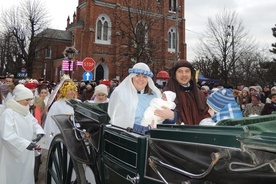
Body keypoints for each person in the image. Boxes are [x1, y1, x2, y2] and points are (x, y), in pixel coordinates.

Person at [108, 62, 175, 133]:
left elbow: (163, 119)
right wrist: (144, 129)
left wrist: (171, 116)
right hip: (131, 138)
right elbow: (119, 122)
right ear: (132, 77)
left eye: (144, 76)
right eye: (137, 75)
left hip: (154, 138)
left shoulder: (154, 95)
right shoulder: (121, 94)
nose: (141, 79)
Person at [0, 84, 45, 184]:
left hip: (26, 153)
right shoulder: (9, 113)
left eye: (30, 99)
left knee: (26, 176)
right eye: (27, 99)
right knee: (13, 177)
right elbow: (6, 135)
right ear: (19, 99)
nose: (29, 102)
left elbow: (34, 123)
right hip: (13, 154)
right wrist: (24, 144)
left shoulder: (26, 112)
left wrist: (39, 132)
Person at [164, 60, 210, 125]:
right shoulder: (167, 94)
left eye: (187, 71)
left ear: (191, 74)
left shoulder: (200, 95)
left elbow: (205, 113)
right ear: (174, 74)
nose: (184, 75)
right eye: (180, 71)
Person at [41, 80, 77, 150]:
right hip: (60, 134)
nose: (72, 92)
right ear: (64, 91)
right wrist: (51, 137)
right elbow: (50, 122)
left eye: (74, 90)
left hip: (74, 136)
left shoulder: (78, 103)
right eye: (70, 90)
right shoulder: (57, 105)